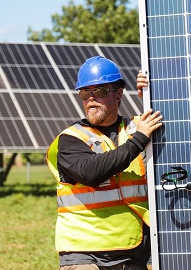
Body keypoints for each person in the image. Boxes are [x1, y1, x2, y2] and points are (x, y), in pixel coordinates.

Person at [47, 56, 163, 270]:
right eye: (85, 92)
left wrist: (150, 96)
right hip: (85, 256)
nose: (91, 98)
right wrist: (138, 140)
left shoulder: (136, 128)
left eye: (99, 91)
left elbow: (176, 127)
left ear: (119, 94)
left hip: (134, 253)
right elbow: (91, 172)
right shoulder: (70, 139)